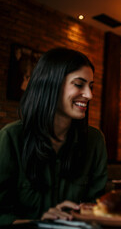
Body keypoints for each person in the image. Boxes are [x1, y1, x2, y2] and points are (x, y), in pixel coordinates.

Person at [0, 48, 108, 225]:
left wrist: (84, 212)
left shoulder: (94, 141)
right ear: (51, 84)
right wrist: (38, 222)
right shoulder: (11, 138)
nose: (89, 95)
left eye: (91, 86)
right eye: (79, 84)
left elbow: (99, 208)